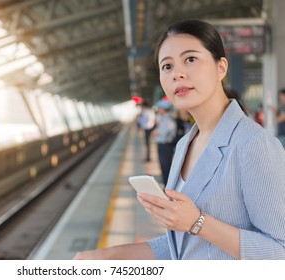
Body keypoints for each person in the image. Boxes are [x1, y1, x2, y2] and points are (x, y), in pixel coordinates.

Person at [73, 19, 285, 260]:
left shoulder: (254, 144)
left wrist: (198, 222)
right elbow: (186, 247)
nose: (178, 74)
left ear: (221, 68)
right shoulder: (185, 145)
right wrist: (108, 257)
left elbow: (279, 252)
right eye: (167, 66)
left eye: (190, 59)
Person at [154, 97, 176, 184]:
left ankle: (168, 185)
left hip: (166, 146)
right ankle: (165, 183)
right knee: (163, 166)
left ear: (164, 109)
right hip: (162, 144)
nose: (158, 110)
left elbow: (162, 132)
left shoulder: (168, 119)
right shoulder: (162, 118)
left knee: (166, 166)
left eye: (159, 108)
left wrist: (157, 132)